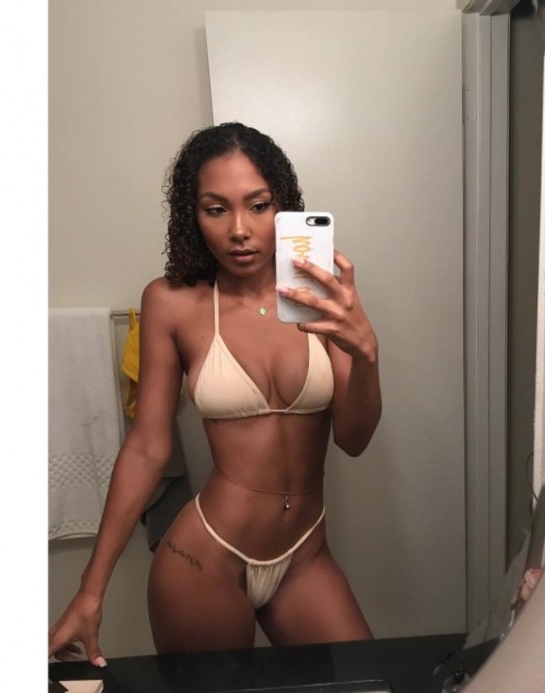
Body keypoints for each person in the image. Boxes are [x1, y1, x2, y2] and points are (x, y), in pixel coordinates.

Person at [48, 122, 382, 664]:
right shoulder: (172, 303)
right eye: (216, 209)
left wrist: (366, 357)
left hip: (305, 555)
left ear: (283, 207)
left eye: (258, 205)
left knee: (365, 681)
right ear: (193, 215)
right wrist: (91, 589)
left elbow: (354, 439)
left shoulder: (321, 292)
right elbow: (147, 449)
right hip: (204, 559)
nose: (240, 230)